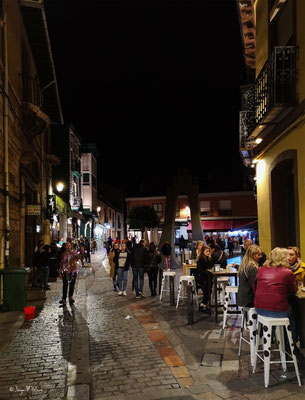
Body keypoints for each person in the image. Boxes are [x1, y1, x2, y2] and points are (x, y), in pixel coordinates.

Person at [59, 241, 80, 305]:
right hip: (65, 272)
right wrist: (60, 272)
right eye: (67, 246)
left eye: (69, 245)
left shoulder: (74, 253)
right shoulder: (63, 254)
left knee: (72, 285)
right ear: (65, 247)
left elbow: (79, 257)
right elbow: (61, 263)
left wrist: (80, 252)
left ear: (71, 246)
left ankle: (70, 297)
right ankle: (64, 299)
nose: (68, 247)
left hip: (73, 271)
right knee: (65, 285)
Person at [196, 245, 212, 312]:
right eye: (207, 251)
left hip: (208, 278)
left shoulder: (208, 258)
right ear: (203, 252)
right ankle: (202, 305)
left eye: (209, 251)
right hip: (203, 279)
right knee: (206, 292)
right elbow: (200, 270)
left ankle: (203, 305)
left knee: (208, 292)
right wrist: (209, 271)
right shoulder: (200, 259)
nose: (208, 252)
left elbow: (209, 267)